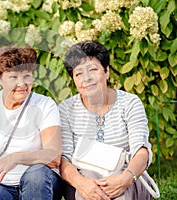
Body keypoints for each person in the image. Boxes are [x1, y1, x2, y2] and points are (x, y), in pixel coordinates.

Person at [0, 46, 63, 200]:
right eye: (13, 77)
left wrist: (15, 158)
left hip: (39, 183)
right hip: (1, 185)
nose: (22, 84)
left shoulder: (45, 105)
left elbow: (54, 155)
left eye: (27, 76)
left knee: (35, 176)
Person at [59, 40, 153, 200]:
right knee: (89, 187)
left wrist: (124, 179)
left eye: (93, 70)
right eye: (79, 73)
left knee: (118, 194)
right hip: (84, 179)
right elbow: (64, 158)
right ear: (74, 80)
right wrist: (82, 183)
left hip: (128, 176)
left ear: (106, 71)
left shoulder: (130, 103)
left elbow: (141, 151)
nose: (86, 78)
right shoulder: (66, 109)